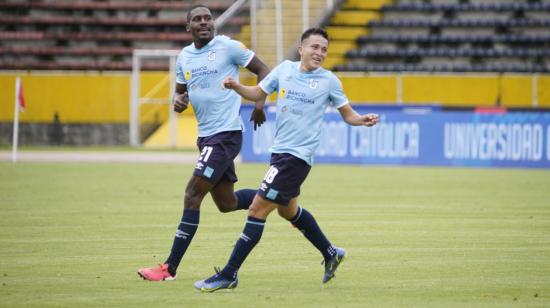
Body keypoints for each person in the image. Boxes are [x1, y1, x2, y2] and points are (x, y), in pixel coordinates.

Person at [194, 27, 379, 292]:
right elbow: (258, 94)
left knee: (257, 209)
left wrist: (361, 120)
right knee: (288, 210)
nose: (320, 53)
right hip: (279, 152)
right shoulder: (284, 70)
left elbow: (348, 114)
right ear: (302, 48)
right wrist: (236, 86)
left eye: (324, 49)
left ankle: (228, 274)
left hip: (297, 158)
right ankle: (331, 253)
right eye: (315, 47)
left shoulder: (329, 81)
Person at [137, 4, 270, 281]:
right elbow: (181, 93)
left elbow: (264, 70)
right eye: (197, 19)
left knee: (191, 195)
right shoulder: (184, 57)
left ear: (214, 23)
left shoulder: (228, 47)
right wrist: (179, 101)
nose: (204, 22)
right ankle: (273, 197)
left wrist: (259, 102)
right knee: (227, 202)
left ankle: (169, 268)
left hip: (225, 135)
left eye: (208, 18)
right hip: (206, 136)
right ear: (189, 28)